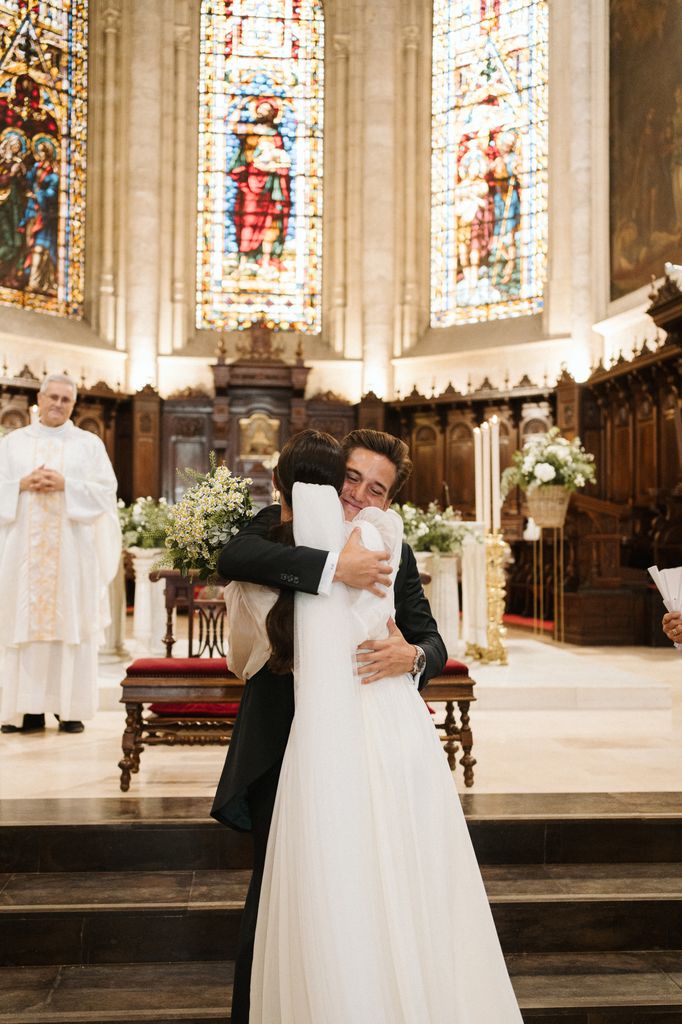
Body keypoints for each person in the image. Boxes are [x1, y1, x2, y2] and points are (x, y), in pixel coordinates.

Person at [222, 429, 523, 1022]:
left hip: (362, 743)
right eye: (351, 478)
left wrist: (412, 657)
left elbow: (430, 635)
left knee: (358, 883)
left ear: (390, 501)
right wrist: (335, 565)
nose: (359, 495)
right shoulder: (280, 525)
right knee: (278, 891)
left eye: (376, 489)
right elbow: (235, 557)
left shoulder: (392, 546)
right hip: (283, 735)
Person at [0, 374, 121, 734]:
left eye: (65, 399)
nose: (57, 404)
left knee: (71, 625)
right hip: (22, 556)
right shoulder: (12, 443)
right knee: (19, 627)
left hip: (71, 557)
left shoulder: (89, 444)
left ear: (74, 404)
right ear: (39, 398)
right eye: (52, 397)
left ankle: (69, 710)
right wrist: (21, 484)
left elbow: (105, 494)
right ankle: (24, 710)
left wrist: (66, 485)